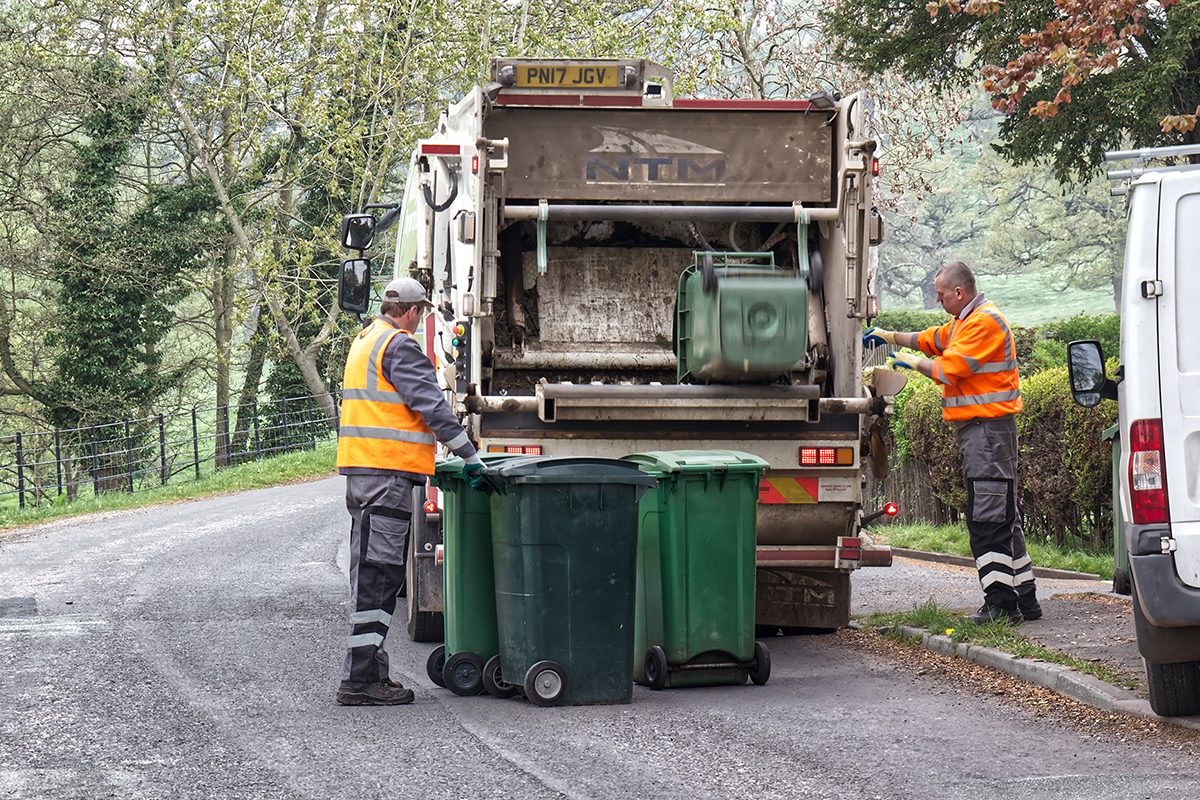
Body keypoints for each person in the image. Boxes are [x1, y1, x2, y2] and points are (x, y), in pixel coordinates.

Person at [335, 277, 490, 705]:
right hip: (387, 478)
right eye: (421, 311)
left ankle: (368, 674)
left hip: (364, 476)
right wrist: (469, 455)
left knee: (368, 576)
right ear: (413, 311)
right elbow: (431, 406)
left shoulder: (366, 338)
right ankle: (360, 681)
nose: (421, 317)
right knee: (380, 578)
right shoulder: (399, 346)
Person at [863, 261, 1042, 625]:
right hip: (983, 431)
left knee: (988, 519)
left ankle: (1001, 605)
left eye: (941, 294)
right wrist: (890, 335)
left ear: (959, 293)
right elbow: (931, 338)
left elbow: (948, 370)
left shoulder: (984, 323)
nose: (937, 299)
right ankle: (1025, 597)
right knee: (1004, 515)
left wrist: (904, 361)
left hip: (987, 431)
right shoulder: (965, 322)